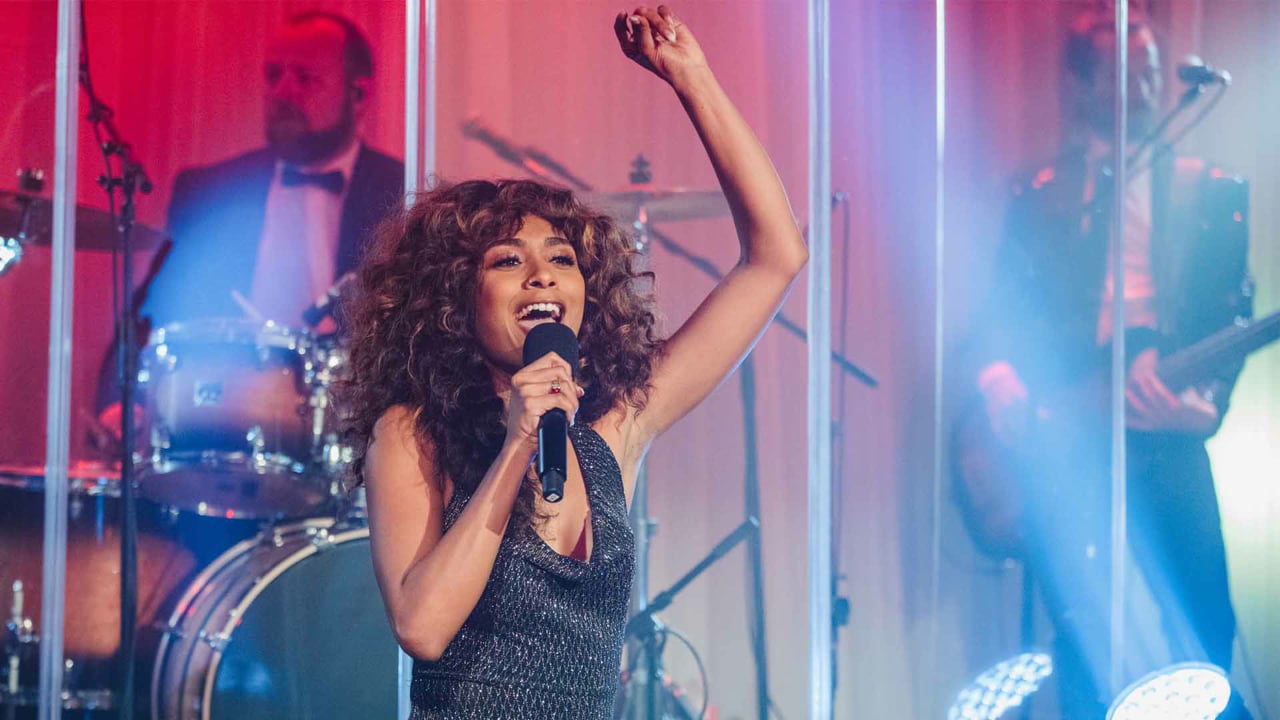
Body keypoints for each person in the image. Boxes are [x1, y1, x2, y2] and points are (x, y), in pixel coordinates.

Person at [340, 6, 807, 718]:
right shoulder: (412, 432)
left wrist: (691, 79)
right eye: (508, 261)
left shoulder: (617, 425)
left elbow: (777, 256)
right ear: (455, 297)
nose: (543, 276)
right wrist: (517, 444)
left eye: (562, 260)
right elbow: (422, 628)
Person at [958, 9, 1253, 718]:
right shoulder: (1043, 195)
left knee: (1203, 619)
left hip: (1164, 432)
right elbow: (1000, 312)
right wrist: (1003, 386)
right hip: (1071, 432)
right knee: (1084, 629)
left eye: (1149, 73)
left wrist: (1203, 408)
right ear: (1081, 83)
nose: (1141, 89)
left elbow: (1230, 317)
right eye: (1122, 73)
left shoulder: (1212, 189)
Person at [95, 10, 404, 438]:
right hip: (217, 426)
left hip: (353, 434)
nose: (283, 91)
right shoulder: (211, 189)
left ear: (360, 94)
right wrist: (119, 401)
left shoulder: (401, 192)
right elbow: (150, 311)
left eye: (305, 77)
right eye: (273, 75)